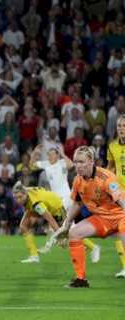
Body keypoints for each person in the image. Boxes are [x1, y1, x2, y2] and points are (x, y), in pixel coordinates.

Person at [54, 146, 125, 288]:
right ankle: (80, 279)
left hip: (120, 217)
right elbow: (77, 203)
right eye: (75, 162)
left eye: (81, 162)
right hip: (101, 219)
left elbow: (120, 200)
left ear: (91, 161)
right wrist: (66, 225)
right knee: (74, 233)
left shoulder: (106, 177)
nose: (77, 165)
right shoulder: (78, 180)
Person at [30, 145, 101, 261]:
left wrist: (62, 153)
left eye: (52, 154)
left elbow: (71, 165)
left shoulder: (62, 162)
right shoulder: (46, 164)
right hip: (56, 199)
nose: (50, 156)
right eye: (49, 154)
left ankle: (49, 246)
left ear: (57, 155)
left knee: (56, 225)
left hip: (66, 198)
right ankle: (89, 246)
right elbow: (32, 166)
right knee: (67, 227)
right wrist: (34, 153)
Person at [12, 182, 65, 263]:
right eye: (16, 198)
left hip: (57, 208)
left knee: (67, 234)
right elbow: (22, 186)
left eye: (20, 197)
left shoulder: (36, 205)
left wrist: (59, 235)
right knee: (23, 226)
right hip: (46, 203)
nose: (18, 200)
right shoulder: (26, 191)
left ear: (25, 194)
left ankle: (91, 247)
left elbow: (51, 220)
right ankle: (34, 256)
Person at [105, 114, 125, 277]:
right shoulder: (112, 146)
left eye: (124, 126)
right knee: (118, 227)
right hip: (119, 192)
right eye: (119, 126)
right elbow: (110, 168)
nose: (121, 129)